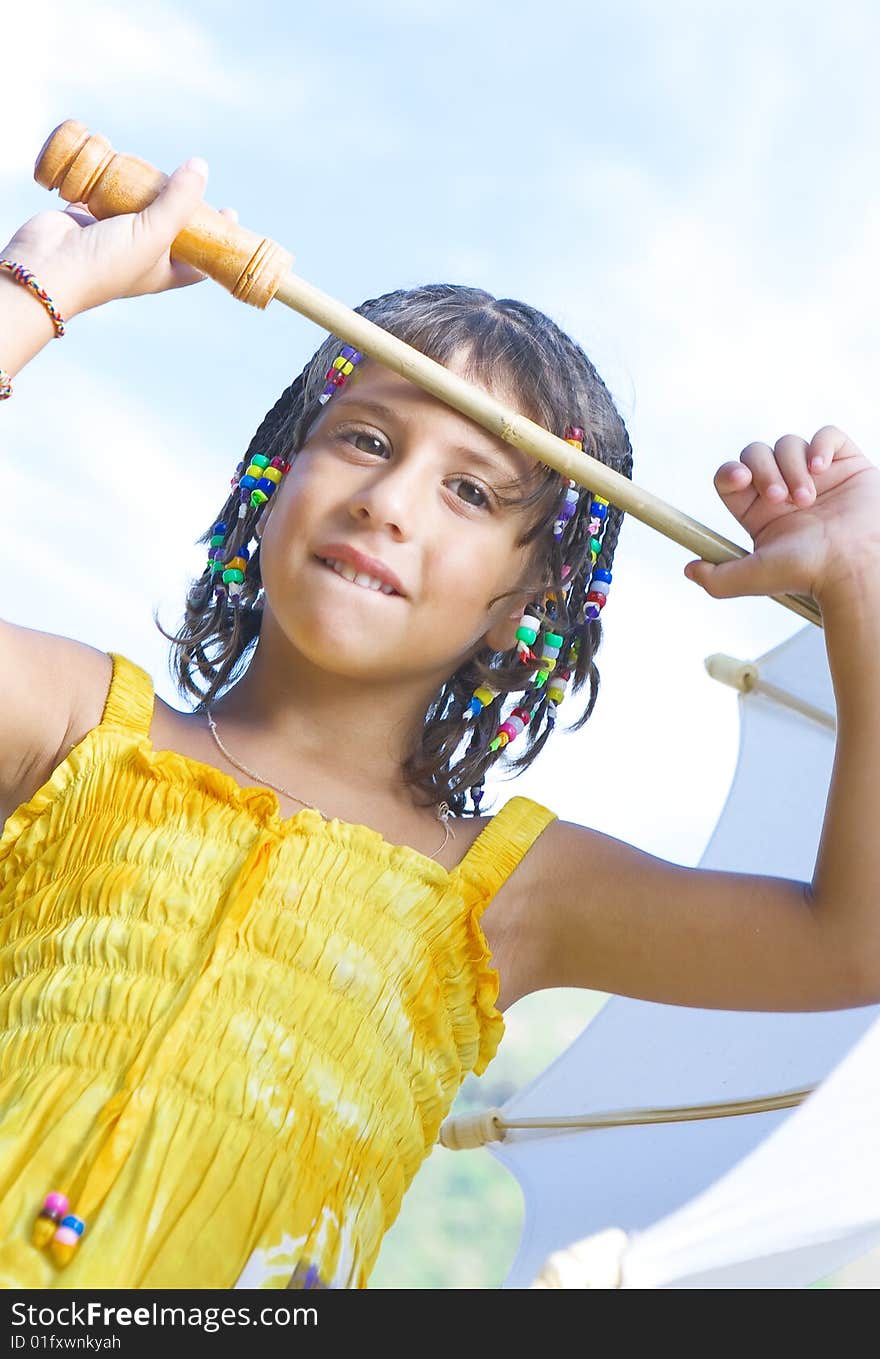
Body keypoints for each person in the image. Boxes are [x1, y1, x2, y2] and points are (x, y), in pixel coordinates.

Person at [1, 159, 879, 1291]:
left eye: (471, 492)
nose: (390, 499)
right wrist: (45, 288)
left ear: (525, 601)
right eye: (364, 439)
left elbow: (852, 943)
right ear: (273, 476)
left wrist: (858, 595)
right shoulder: (70, 719)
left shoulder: (513, 893)